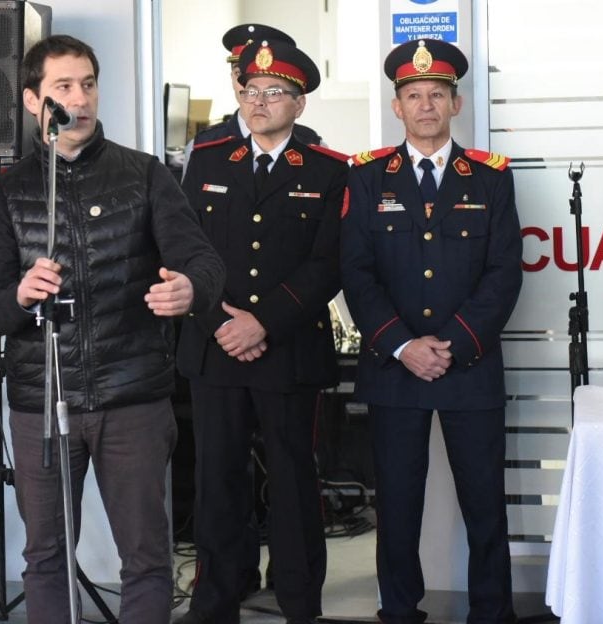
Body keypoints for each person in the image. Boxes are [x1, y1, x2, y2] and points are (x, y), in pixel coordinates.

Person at [0, 35, 225, 624]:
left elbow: (205, 263)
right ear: (35, 100)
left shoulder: (145, 174)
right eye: (63, 87)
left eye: (87, 84)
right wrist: (18, 295)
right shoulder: (10, 192)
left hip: (131, 397)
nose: (79, 99)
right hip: (42, 403)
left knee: (146, 558)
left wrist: (191, 290)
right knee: (46, 557)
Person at [340, 39, 522, 624]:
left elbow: (504, 272)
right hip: (395, 369)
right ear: (398, 107)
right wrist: (402, 344)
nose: (425, 105)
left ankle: (491, 613)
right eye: (414, 95)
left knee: (484, 504)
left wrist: (454, 345)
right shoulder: (367, 177)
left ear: (456, 104)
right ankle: (398, 611)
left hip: (468, 366)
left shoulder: (490, 179)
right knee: (396, 504)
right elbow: (356, 273)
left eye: (436, 95)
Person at [176, 40, 349, 624]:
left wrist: (262, 322)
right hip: (215, 346)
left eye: (274, 93)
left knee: (296, 482)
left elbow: (328, 264)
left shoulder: (329, 170)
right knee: (218, 481)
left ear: (298, 104)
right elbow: (184, 249)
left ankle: (301, 604)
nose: (259, 101)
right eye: (251, 90)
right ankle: (216, 603)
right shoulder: (206, 158)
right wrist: (221, 321)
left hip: (289, 348)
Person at [182, 23, 322, 178]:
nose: (249, 88)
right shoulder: (201, 148)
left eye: (272, 89)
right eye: (240, 74)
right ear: (231, 78)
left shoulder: (312, 144)